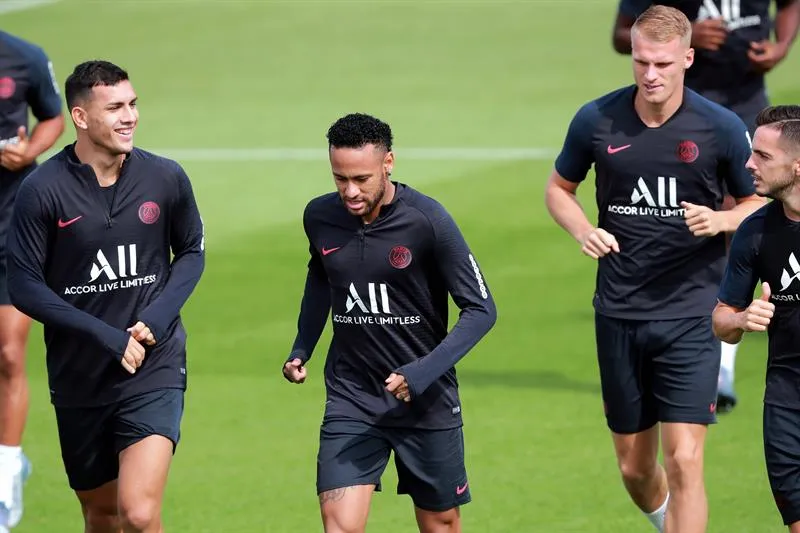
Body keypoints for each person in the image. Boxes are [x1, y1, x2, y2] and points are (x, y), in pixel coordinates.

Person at [545, 6, 764, 532]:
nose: (650, 74)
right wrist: (583, 230)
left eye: (663, 63)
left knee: (685, 460)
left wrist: (723, 218)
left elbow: (759, 203)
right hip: (619, 312)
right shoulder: (596, 119)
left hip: (692, 313)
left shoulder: (721, 128)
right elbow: (559, 189)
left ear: (687, 58)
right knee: (635, 468)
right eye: (642, 61)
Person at [6, 60, 205, 533]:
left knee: (137, 512)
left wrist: (155, 320)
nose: (129, 116)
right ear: (80, 117)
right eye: (114, 107)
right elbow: (25, 286)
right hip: (80, 376)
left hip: (153, 368)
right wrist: (108, 337)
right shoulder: (42, 190)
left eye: (132, 104)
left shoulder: (165, 178)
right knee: (101, 514)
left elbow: (191, 253)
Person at [282, 112, 497, 533]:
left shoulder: (428, 221)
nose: (350, 191)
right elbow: (321, 275)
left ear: (389, 163)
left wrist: (420, 373)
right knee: (339, 525)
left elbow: (481, 309)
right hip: (352, 396)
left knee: (441, 522)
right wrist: (302, 346)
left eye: (361, 178)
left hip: (426, 400)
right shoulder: (320, 217)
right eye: (339, 178)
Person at [611, 0, 800, 412]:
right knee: (682, 221)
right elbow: (621, 34)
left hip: (748, 103)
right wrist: (689, 32)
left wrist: (782, 45)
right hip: (685, 111)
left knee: (745, 213)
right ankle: (679, 344)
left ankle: (723, 362)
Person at [712, 105, 800, 532]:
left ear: (797, 166)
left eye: (763, 156)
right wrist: (744, 318)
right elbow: (721, 321)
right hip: (786, 405)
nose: (748, 164)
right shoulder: (755, 231)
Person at [0, 30, 65, 531]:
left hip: (10, 225)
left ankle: (5, 473)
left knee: (8, 353)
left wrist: (28, 154)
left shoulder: (23, 57)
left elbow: (52, 118)